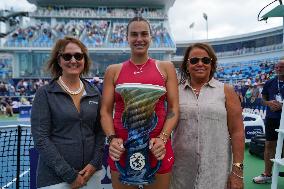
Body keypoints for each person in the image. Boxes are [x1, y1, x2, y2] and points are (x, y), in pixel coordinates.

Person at [100, 16, 179, 189]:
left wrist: (162, 139)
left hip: (157, 149)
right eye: (134, 34)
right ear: (126, 38)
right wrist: (112, 139)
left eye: (144, 34)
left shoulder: (166, 68)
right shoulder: (113, 71)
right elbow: (105, 112)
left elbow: (173, 109)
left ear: (151, 37)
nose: (139, 39)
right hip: (121, 149)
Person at [31, 36, 105, 189]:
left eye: (78, 56)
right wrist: (69, 175)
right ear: (59, 60)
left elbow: (100, 132)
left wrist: (94, 164)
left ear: (84, 60)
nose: (73, 60)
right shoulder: (45, 93)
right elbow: (41, 139)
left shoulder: (94, 92)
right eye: (67, 56)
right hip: (55, 180)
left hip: (92, 175)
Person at [170, 43, 245, 189]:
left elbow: (237, 133)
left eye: (205, 60)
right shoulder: (175, 92)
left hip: (216, 173)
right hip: (181, 172)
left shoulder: (226, 91)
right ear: (187, 65)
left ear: (212, 64)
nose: (200, 64)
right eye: (194, 60)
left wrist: (237, 172)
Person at [253, 58, 284, 184]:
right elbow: (263, 98)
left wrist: (283, 106)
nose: (278, 69)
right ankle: (267, 174)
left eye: (281, 67)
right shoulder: (270, 82)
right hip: (272, 118)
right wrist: (268, 103)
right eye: (277, 67)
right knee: (269, 145)